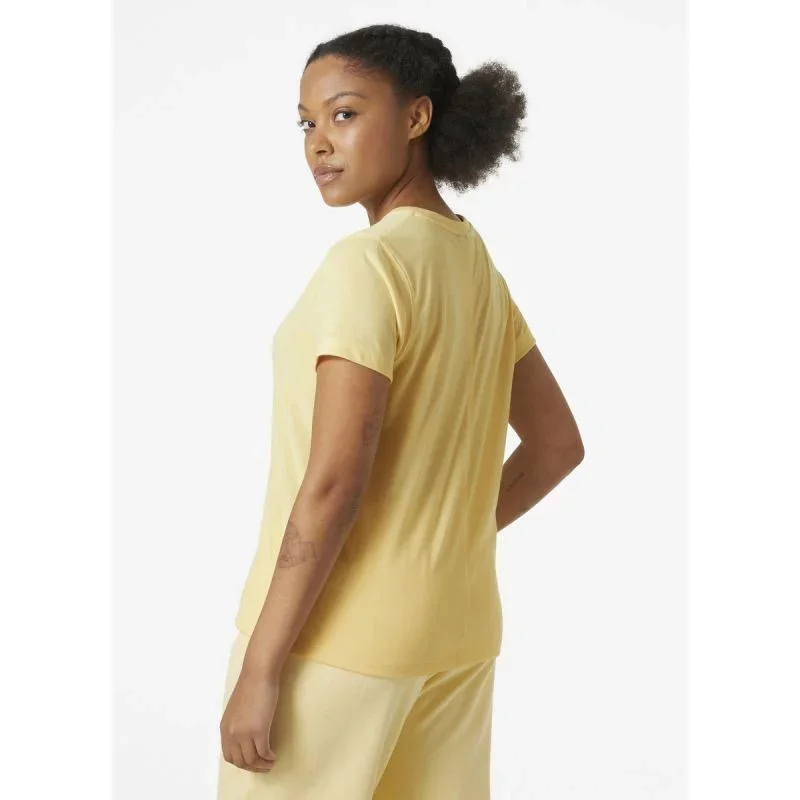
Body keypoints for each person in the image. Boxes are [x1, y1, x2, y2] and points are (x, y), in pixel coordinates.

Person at [217, 22, 584, 800]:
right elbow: (557, 444)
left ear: (417, 117)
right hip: (455, 636)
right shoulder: (473, 265)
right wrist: (441, 534)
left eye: (345, 113)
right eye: (306, 123)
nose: (319, 142)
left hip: (336, 642)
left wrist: (260, 666)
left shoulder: (369, 265)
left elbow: (332, 482)